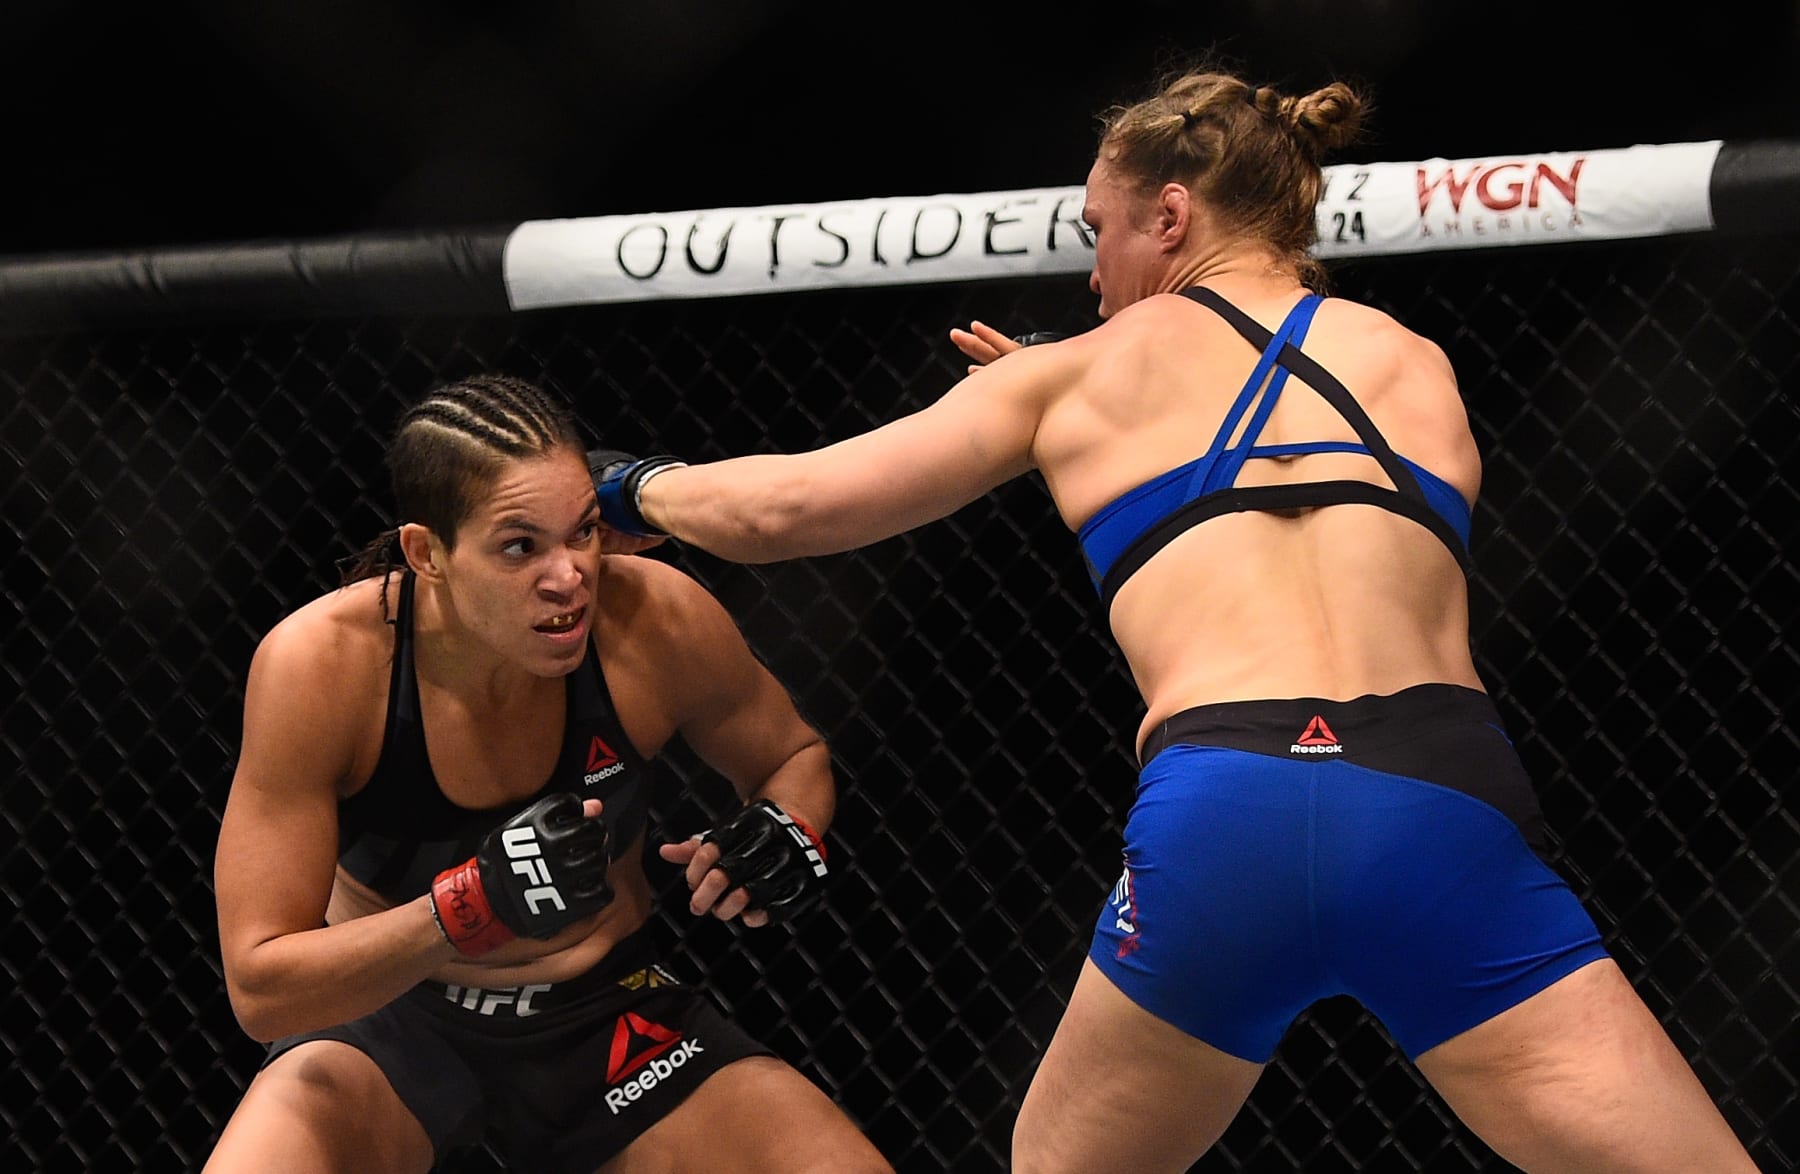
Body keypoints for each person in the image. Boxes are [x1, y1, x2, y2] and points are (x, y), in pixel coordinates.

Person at [588, 68, 1761, 1173]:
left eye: (1098, 228)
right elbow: (1278, 473)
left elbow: (785, 506)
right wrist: (1074, 390)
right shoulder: (1417, 363)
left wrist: (623, 485)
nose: (1091, 271)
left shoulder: (1082, 372)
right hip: (1438, 797)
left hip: (1232, 800)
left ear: (1171, 215)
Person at [205, 374, 893, 1174]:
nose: (569, 576)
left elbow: (791, 757)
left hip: (605, 1020)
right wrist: (470, 907)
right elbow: (261, 988)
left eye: (585, 532)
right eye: (520, 546)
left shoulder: (654, 619)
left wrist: (788, 824)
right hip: (389, 1026)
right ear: (429, 554)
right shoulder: (324, 667)